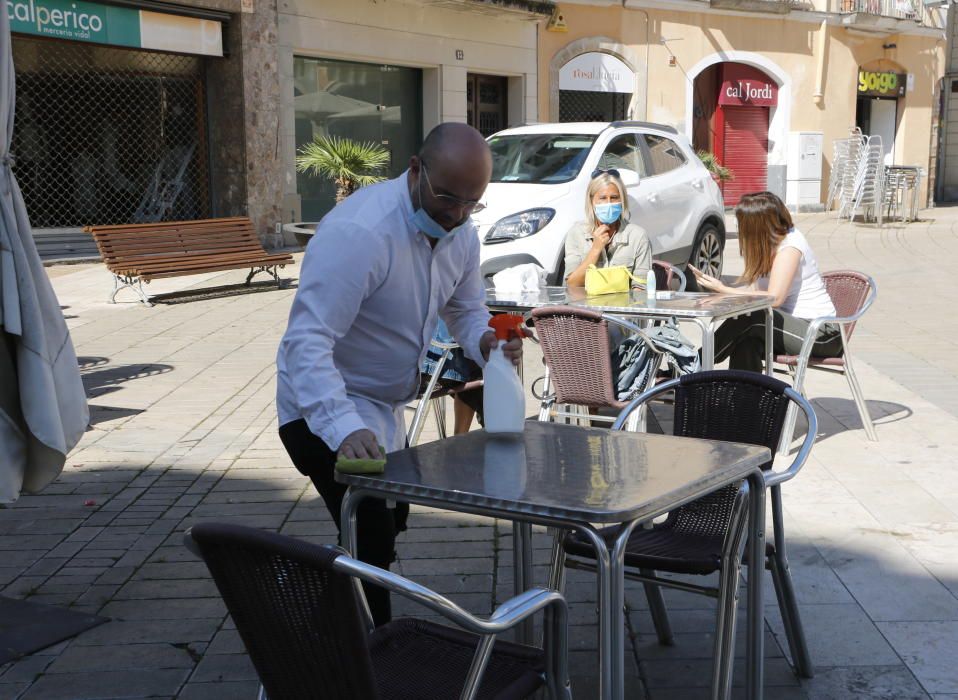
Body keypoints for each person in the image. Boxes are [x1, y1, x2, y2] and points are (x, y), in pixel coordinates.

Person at [276, 123, 524, 626]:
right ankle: (375, 653)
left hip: (386, 408)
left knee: (390, 522)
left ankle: (308, 591)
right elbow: (306, 342)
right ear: (415, 170)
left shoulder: (461, 233)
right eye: (446, 198)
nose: (455, 215)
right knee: (370, 530)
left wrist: (484, 341)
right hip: (318, 405)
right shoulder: (359, 234)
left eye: (470, 204)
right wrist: (344, 427)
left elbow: (467, 308)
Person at [689, 191, 842, 373]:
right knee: (746, 341)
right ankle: (743, 399)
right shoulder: (766, 245)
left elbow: (773, 299)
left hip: (821, 334)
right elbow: (754, 296)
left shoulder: (790, 246)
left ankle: (690, 368)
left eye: (742, 224)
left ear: (757, 225)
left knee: (753, 318)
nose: (739, 229)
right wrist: (721, 295)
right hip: (790, 328)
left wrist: (725, 289)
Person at [563, 168, 652, 288]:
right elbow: (572, 284)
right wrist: (595, 250)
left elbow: (641, 287)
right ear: (591, 200)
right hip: (585, 306)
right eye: (603, 198)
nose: (609, 203)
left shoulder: (638, 236)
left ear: (622, 200)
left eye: (614, 197)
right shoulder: (576, 233)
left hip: (622, 305)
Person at [420, 319, 484, 435]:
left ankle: (460, 441)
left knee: (480, 373)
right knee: (481, 376)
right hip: (435, 363)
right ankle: (460, 442)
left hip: (414, 364)